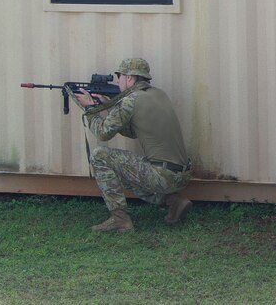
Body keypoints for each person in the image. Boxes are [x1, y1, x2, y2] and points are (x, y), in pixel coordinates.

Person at [73, 57, 193, 233]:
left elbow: (103, 133)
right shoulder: (158, 94)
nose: (117, 80)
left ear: (129, 78)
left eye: (119, 75)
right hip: (180, 174)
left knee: (100, 156)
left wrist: (90, 109)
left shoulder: (131, 100)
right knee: (125, 170)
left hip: (162, 176)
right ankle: (174, 202)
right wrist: (109, 107)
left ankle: (120, 219)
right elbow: (135, 130)